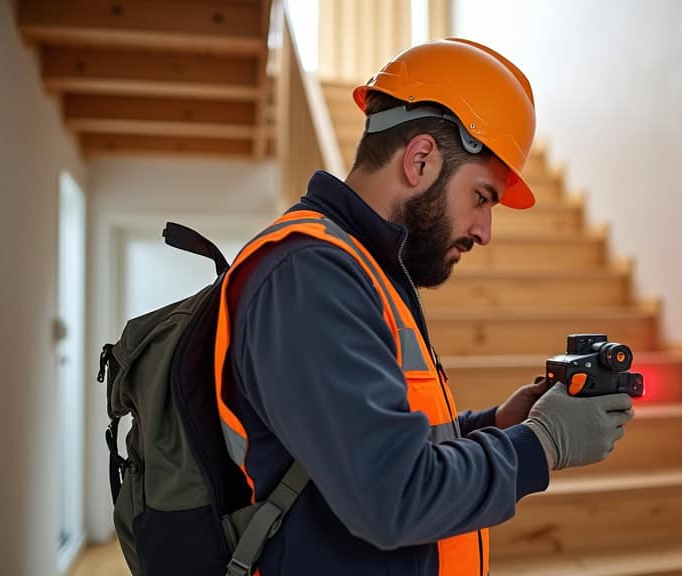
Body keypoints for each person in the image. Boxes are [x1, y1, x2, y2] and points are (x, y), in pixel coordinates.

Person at [214, 38, 635, 575]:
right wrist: (542, 443)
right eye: (482, 197)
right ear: (420, 160)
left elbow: (376, 446)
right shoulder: (310, 276)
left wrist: (498, 424)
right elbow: (393, 495)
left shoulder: (364, 268)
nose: (484, 231)